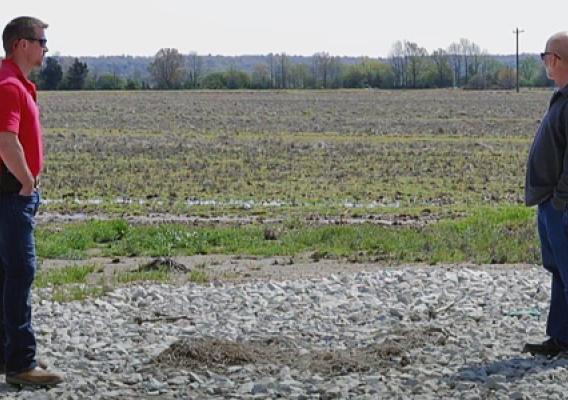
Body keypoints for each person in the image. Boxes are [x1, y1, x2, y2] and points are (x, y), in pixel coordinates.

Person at [0, 16, 63, 385]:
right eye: (41, 42)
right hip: (12, 195)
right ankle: (21, 365)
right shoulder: (8, 85)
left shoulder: (14, 82)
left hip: (9, 195)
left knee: (7, 274)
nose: (45, 49)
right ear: (21, 44)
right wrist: (27, 180)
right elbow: (6, 140)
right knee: (20, 274)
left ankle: (9, 356)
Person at [524, 32, 568, 357]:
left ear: (557, 59)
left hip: (561, 206)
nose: (543, 62)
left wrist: (561, 201)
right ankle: (561, 339)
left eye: (545, 56)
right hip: (551, 204)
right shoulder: (562, 97)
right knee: (558, 270)